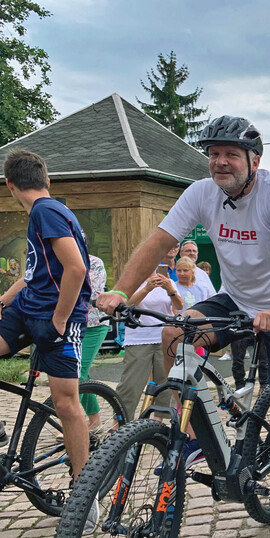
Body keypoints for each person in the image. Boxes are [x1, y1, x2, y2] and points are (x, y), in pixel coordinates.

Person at [96, 115, 270, 537]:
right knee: (173, 333)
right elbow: (158, 242)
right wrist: (121, 293)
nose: (221, 162)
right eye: (214, 154)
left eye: (231, 155)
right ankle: (205, 424)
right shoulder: (202, 193)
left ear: (254, 160)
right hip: (235, 299)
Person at [0, 149, 95, 529]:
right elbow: (36, 271)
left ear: (10, 185)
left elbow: (76, 268)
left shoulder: (46, 211)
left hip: (57, 317)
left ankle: (84, 494)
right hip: (26, 308)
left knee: (66, 402)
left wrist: (58, 321)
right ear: (46, 178)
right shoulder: (41, 214)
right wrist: (3, 300)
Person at [114, 266, 182, 420]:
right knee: (130, 385)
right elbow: (125, 306)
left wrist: (170, 289)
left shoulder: (168, 281)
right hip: (139, 338)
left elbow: (179, 306)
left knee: (165, 383)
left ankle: (159, 421)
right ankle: (121, 422)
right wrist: (147, 289)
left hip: (164, 337)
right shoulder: (132, 282)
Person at [80, 246, 110, 431]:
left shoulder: (95, 263)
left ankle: (68, 420)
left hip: (94, 325)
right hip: (70, 325)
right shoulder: (58, 260)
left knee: (78, 372)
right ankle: (95, 421)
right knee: (83, 373)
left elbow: (92, 293)